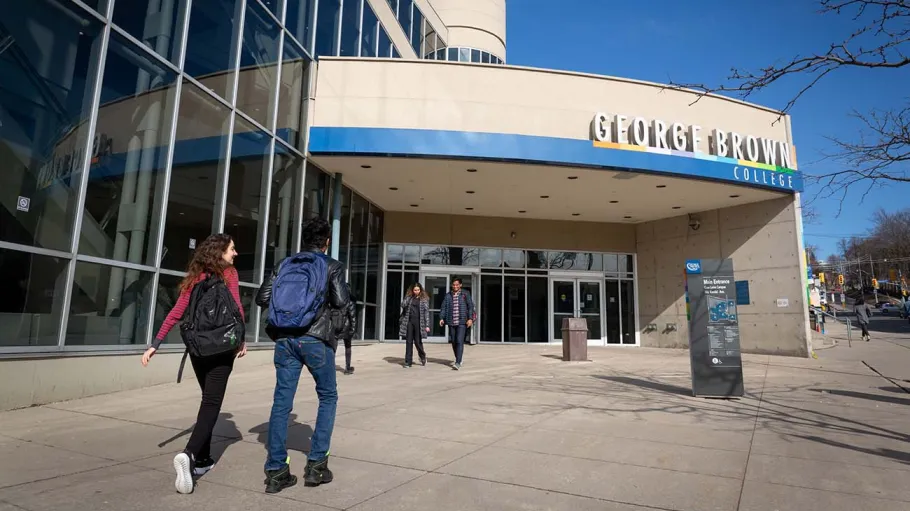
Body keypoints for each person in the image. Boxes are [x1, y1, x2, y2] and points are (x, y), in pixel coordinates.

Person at [141, 234, 247, 495]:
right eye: (232, 249)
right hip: (222, 346)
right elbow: (236, 308)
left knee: (207, 402)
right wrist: (241, 338)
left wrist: (156, 342)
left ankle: (202, 459)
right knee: (212, 403)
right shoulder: (229, 273)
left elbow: (177, 311)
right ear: (220, 252)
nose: (235, 254)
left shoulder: (195, 276)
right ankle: (188, 455)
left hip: (198, 348)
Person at [256, 218, 352, 494]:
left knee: (281, 402)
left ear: (304, 240)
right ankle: (316, 466)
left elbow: (263, 297)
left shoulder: (286, 264)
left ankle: (276, 470)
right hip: (315, 340)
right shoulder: (331, 265)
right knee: (328, 396)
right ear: (327, 241)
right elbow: (341, 301)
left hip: (285, 340)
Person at [439, 278, 475, 370]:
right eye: (453, 285)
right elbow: (443, 307)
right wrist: (441, 318)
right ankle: (459, 358)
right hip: (451, 321)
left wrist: (470, 318)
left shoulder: (465, 294)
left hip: (462, 321)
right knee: (454, 342)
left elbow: (470, 307)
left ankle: (458, 362)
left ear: (460, 285)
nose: (455, 286)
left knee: (459, 341)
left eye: (457, 284)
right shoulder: (448, 295)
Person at [399, 283, 430, 368]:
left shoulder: (424, 299)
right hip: (409, 321)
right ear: (412, 290)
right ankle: (408, 361)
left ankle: (422, 356)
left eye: (418, 290)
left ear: (420, 290)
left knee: (417, 341)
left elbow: (426, 313)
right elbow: (403, 305)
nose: (416, 292)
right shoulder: (409, 298)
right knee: (408, 341)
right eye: (415, 290)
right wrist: (408, 297)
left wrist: (427, 325)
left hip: (419, 322)